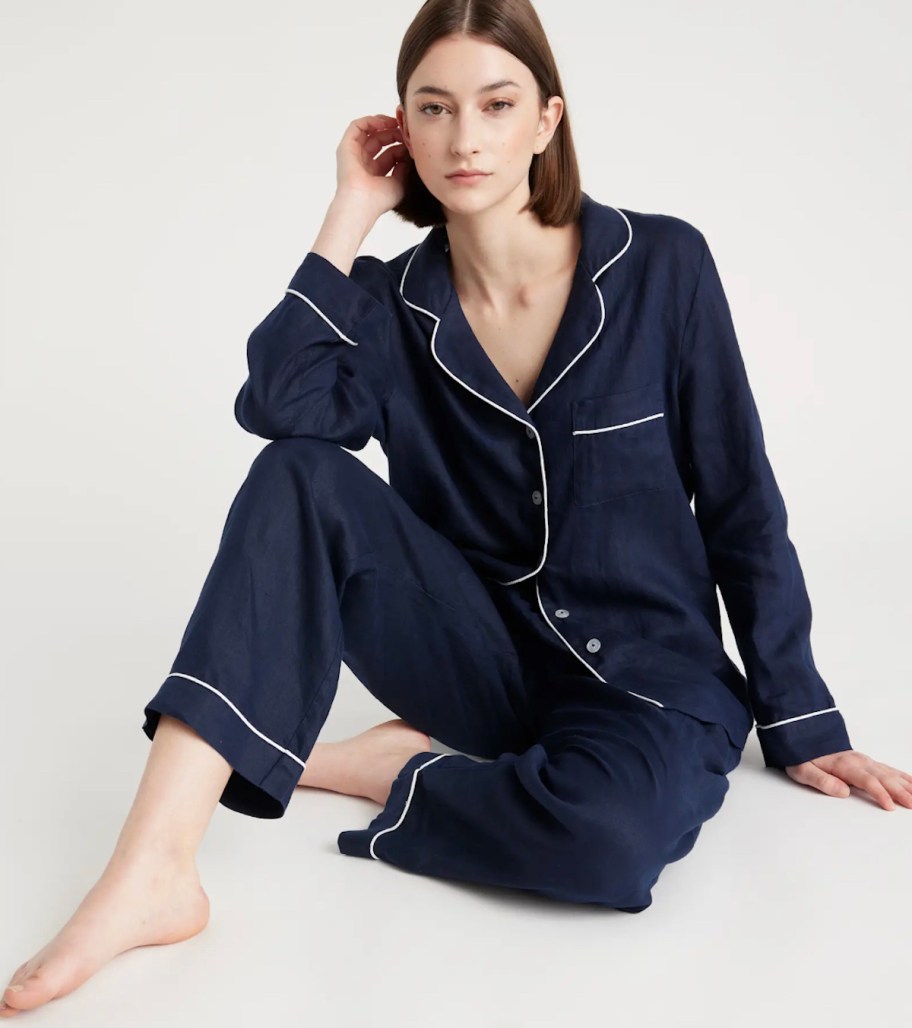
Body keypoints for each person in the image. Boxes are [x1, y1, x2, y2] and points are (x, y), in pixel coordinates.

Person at [4, 0, 910, 1016]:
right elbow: (280, 405)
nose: (464, 136)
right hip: (475, 663)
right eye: (432, 108)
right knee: (298, 473)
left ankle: (386, 768)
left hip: (650, 682)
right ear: (403, 128)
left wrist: (798, 717)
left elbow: (741, 498)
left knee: (607, 845)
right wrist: (349, 212)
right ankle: (152, 870)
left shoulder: (663, 266)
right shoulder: (395, 304)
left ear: (547, 120)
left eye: (496, 103)